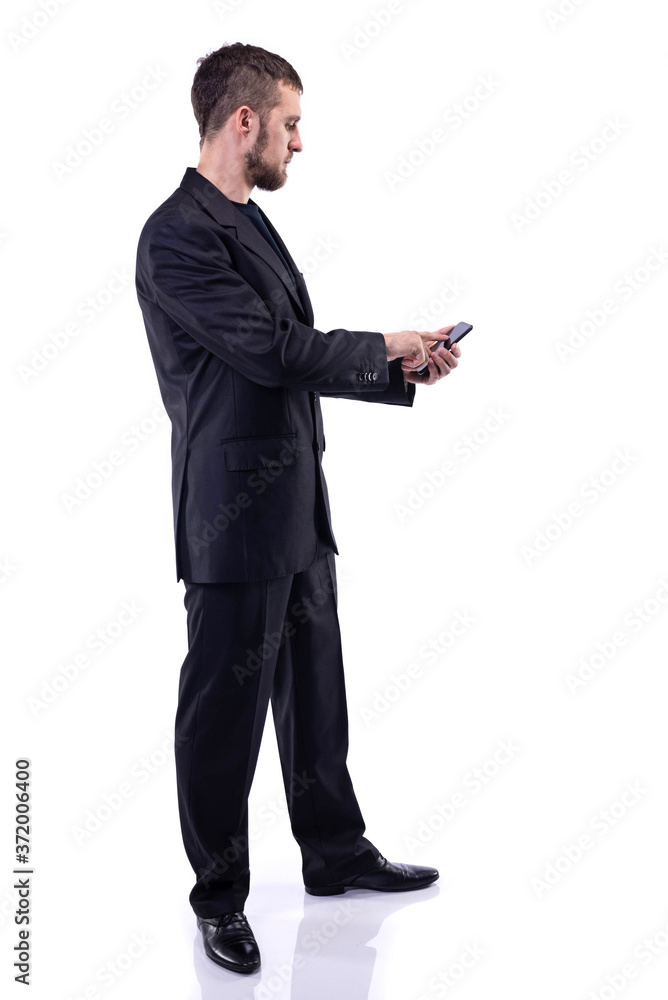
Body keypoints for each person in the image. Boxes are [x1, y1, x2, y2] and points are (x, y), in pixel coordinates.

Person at [134, 41, 462, 976]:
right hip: (231, 519)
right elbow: (275, 350)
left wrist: (398, 369)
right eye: (290, 124)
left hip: (293, 502)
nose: (298, 142)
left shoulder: (247, 220)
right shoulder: (176, 236)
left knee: (316, 690)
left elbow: (292, 350)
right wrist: (385, 344)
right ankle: (219, 898)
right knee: (222, 714)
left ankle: (334, 850)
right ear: (244, 122)